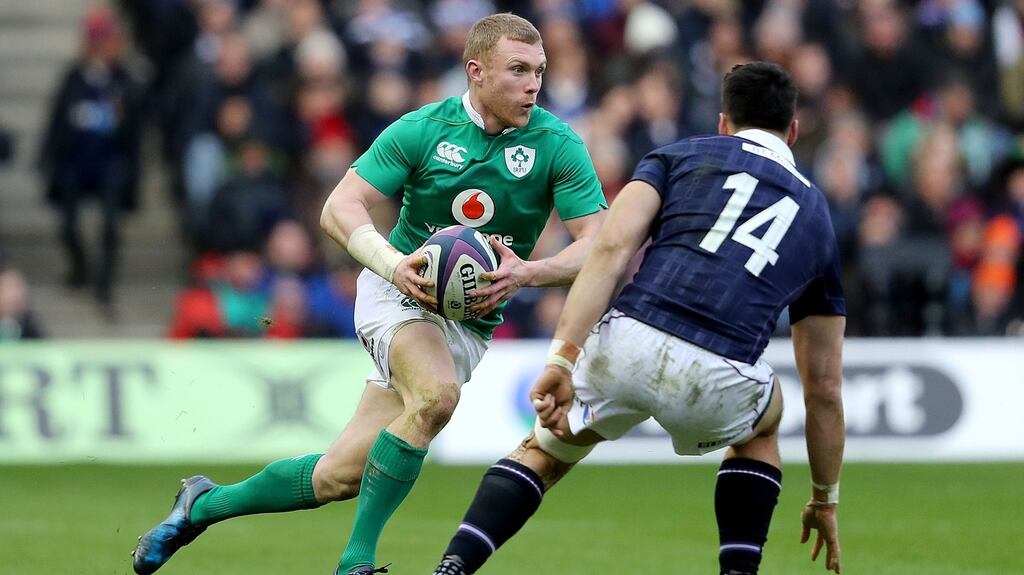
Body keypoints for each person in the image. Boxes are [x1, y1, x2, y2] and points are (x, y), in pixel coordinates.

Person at [131, 13, 607, 575]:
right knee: (435, 397)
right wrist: (395, 263)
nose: (534, 85)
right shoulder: (422, 129)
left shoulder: (556, 143)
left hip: (469, 322)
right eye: (519, 70)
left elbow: (597, 245)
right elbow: (339, 207)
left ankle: (201, 505)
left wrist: (530, 272)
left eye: (540, 72)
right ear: (475, 72)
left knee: (339, 476)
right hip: (396, 294)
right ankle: (355, 562)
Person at [431, 62, 846, 575]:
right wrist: (825, 498)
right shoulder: (818, 216)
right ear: (794, 131)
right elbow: (824, 385)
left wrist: (562, 357)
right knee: (763, 426)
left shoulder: (677, 156)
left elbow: (609, 251)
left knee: (544, 451)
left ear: (723, 123)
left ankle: (453, 565)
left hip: (628, 340)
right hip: (719, 375)